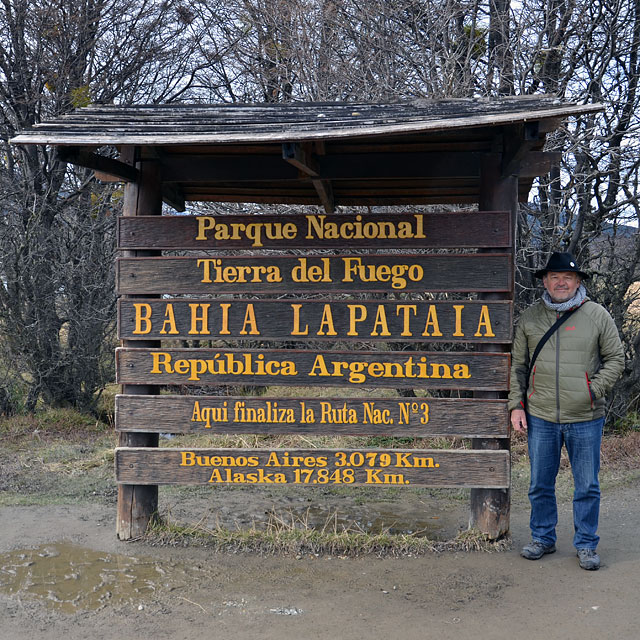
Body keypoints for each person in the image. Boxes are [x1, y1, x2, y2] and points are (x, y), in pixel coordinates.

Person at [509, 252, 624, 571]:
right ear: (545, 281)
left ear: (578, 282)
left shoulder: (597, 315)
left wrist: (591, 390)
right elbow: (517, 365)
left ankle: (586, 544)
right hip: (541, 415)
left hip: (586, 417)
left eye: (568, 277)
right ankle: (542, 538)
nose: (561, 282)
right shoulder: (530, 318)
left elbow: (617, 359)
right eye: (555, 277)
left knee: (587, 485)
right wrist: (516, 404)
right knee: (539, 483)